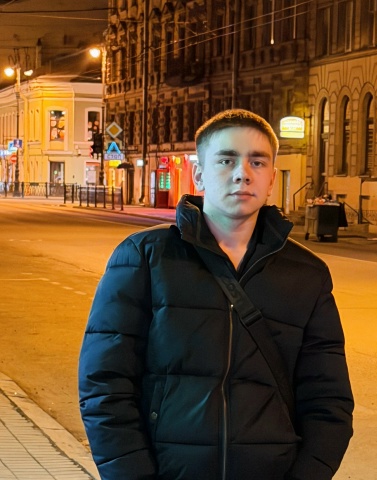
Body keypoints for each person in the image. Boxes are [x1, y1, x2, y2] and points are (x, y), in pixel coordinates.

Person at [78, 109, 354, 480]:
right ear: (199, 174)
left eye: (257, 161)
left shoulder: (306, 274)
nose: (243, 173)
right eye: (226, 160)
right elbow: (104, 386)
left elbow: (329, 400)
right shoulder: (144, 258)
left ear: (271, 178)